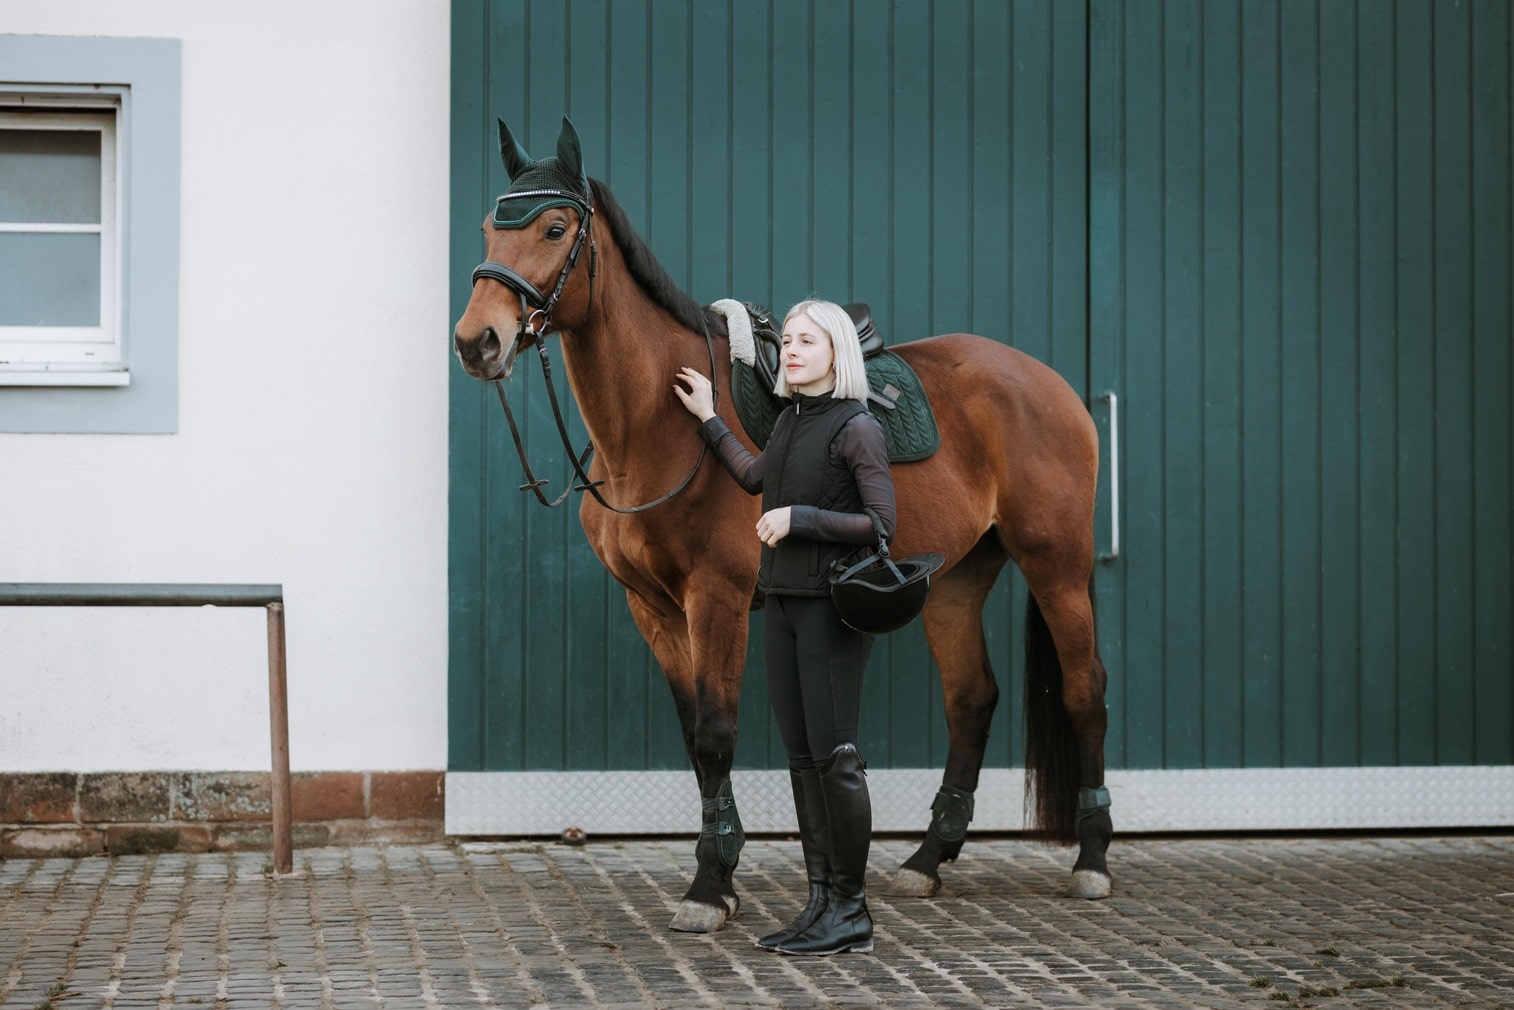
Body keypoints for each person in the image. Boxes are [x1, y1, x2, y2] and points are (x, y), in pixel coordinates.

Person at [673, 299, 895, 957]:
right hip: (783, 604)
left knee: (837, 761)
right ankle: (819, 901)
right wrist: (710, 415)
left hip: (831, 608)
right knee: (802, 762)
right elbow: (750, 477)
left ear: (837, 355)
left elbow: (882, 527)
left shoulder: (857, 427)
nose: (793, 350)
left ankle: (851, 912)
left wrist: (802, 519)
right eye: (789, 340)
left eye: (808, 341)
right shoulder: (791, 421)